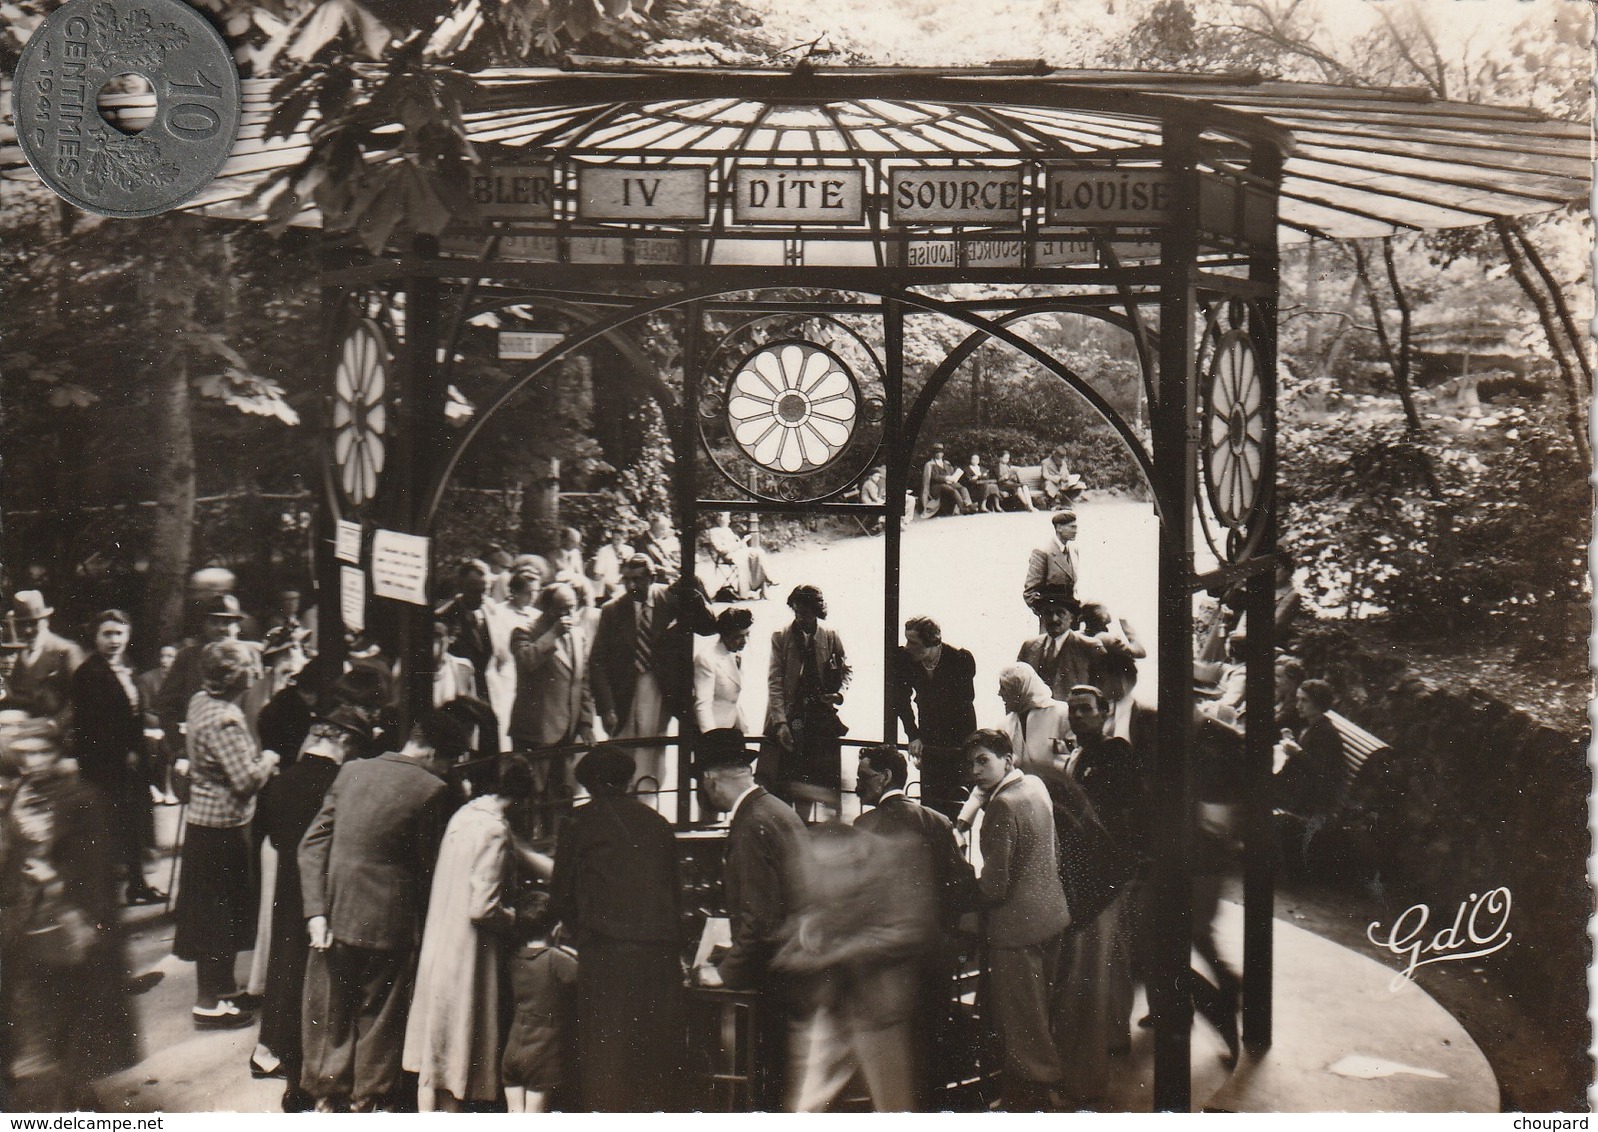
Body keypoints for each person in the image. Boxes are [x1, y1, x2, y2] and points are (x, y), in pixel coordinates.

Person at [297, 711, 454, 1112]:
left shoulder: (351, 770)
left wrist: (315, 911)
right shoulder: (432, 788)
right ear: (435, 753)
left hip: (335, 912)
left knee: (332, 1008)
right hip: (389, 919)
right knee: (380, 1013)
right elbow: (428, 867)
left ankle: (327, 1097)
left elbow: (312, 844)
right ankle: (367, 1098)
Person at [0, 721, 138, 1111]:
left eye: (43, 752)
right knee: (46, 1020)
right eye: (28, 754)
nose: (36, 762)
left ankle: (78, 1102)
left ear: (58, 752)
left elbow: (98, 869)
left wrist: (59, 883)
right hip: (30, 925)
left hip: (72, 923)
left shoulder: (83, 798)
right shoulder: (22, 797)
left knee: (76, 1016)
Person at [550, 746, 685, 1111]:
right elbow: (675, 894)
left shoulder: (578, 822)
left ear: (590, 784)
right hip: (660, 956)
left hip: (606, 956)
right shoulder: (658, 824)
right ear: (627, 780)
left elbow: (560, 896)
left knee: (606, 1060)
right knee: (653, 1059)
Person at [404, 754, 535, 1111]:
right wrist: (515, 917)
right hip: (469, 956)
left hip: (440, 947)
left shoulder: (463, 817)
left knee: (434, 1057)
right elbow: (483, 908)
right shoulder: (493, 829)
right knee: (458, 1057)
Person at [255, 706, 367, 1109]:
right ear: (345, 743)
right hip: (326, 893)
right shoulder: (340, 784)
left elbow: (266, 835)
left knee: (284, 969)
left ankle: (283, 1060)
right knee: (322, 981)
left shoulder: (279, 782)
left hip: (287, 891)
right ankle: (318, 1069)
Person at [853, 746, 977, 1109]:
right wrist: (957, 941)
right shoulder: (937, 821)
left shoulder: (864, 827)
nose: (859, 787)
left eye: (863, 778)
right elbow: (962, 886)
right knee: (931, 1041)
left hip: (884, 957)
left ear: (885, 777)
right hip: (933, 954)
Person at [695, 732, 807, 1109]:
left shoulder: (749, 824)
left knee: (768, 1077)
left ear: (710, 780)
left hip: (775, 970)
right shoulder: (777, 809)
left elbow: (758, 921)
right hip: (798, 959)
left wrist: (724, 972)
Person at [172, 640, 279, 1030]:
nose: (257, 672)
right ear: (235, 676)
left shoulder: (202, 701)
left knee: (213, 913)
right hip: (222, 830)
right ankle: (209, 1004)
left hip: (205, 825)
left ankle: (220, 989)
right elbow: (246, 782)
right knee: (219, 917)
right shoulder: (226, 720)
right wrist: (269, 759)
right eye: (251, 666)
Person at [964, 729, 1070, 1110]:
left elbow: (994, 887)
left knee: (1023, 1018)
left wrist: (961, 882)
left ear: (1006, 761)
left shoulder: (1002, 806)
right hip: (1051, 915)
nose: (975, 771)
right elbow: (1053, 849)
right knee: (1041, 1009)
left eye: (983, 761)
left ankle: (1035, 1095)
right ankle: (1045, 1084)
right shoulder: (1036, 786)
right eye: (971, 763)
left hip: (1016, 931)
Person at [1057, 685, 1147, 1107]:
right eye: (1073, 710)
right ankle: (1109, 1031)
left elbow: (1122, 809)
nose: (1077, 716)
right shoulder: (1079, 754)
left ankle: (1113, 1033)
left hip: (1110, 867)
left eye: (1085, 710)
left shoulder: (1115, 753)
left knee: (1111, 952)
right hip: (1090, 867)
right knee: (1105, 953)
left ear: (1104, 713)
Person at [590, 555, 715, 804]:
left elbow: (708, 626)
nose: (631, 585)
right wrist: (606, 707)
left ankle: (646, 803)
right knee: (621, 749)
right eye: (626, 579)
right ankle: (620, 803)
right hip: (624, 691)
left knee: (651, 747)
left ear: (652, 578)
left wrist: (695, 593)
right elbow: (597, 661)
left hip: (660, 688)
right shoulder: (612, 610)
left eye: (638, 579)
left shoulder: (669, 600)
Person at [70, 609, 164, 906]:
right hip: (104, 764)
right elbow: (91, 725)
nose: (114, 640)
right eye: (107, 634)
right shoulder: (88, 674)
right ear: (95, 637)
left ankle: (137, 884)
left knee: (134, 822)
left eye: (119, 634)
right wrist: (123, 752)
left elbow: (132, 714)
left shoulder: (129, 668)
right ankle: (101, 893)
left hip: (132, 762)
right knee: (107, 827)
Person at [509, 583, 594, 836]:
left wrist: (586, 724)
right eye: (561, 610)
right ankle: (525, 849)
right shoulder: (524, 631)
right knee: (530, 797)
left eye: (572, 608)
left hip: (565, 731)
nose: (568, 615)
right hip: (535, 731)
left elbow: (582, 682)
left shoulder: (578, 635)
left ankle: (557, 847)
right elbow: (527, 662)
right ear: (546, 609)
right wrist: (553, 635)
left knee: (562, 796)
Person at [764, 584, 850, 815]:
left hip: (818, 719)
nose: (801, 617)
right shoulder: (781, 637)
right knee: (784, 777)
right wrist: (780, 722)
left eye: (806, 613)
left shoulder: (830, 637)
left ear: (817, 612)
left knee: (813, 778)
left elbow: (846, 670)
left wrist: (839, 694)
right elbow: (775, 681)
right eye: (797, 612)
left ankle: (805, 824)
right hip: (792, 719)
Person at [888, 615, 976, 820]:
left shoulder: (960, 660)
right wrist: (913, 735)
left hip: (958, 742)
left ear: (932, 642)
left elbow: (964, 706)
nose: (907, 646)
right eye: (906, 640)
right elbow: (901, 700)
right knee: (931, 806)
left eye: (913, 642)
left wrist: (966, 751)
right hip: (929, 740)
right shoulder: (906, 660)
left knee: (956, 805)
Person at [501, 893, 578, 1113]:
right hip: (542, 1053)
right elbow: (584, 978)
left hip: (513, 1048)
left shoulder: (514, 958)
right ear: (555, 929)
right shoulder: (556, 959)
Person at [154, 592, 254, 741]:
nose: (221, 628)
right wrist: (178, 742)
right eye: (214, 622)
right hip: (201, 743)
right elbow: (165, 706)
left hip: (243, 742)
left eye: (227, 623)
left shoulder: (252, 656)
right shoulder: (188, 657)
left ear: (238, 626)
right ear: (204, 625)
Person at [1275, 678, 1346, 854]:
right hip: (1301, 789)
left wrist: (1296, 752)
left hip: (1311, 800)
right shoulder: (1313, 726)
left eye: (1304, 701)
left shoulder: (1326, 734)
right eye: (1298, 699)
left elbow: (1324, 775)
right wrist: (1292, 743)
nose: (1298, 705)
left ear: (1319, 704)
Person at [8, 591, 86, 723]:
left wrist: (56, 724)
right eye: (21, 624)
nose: (27, 631)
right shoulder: (22, 654)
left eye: (33, 623)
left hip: (57, 732)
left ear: (46, 621)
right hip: (25, 729)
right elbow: (17, 697)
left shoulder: (67, 651)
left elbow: (83, 698)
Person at [1018, 586, 1105, 701]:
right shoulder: (1029, 647)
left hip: (1072, 716)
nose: (1054, 619)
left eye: (1060, 613)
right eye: (1048, 613)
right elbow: (1017, 688)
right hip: (1036, 716)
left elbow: (1103, 692)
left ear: (1072, 617)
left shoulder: (1089, 647)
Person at [487, 571, 541, 750]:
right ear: (514, 592)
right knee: (506, 717)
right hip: (506, 672)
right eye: (527, 592)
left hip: (530, 673)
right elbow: (497, 645)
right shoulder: (499, 612)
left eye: (536, 592)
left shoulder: (536, 615)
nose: (532, 596)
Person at [1080, 601, 1146, 738]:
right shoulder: (1106, 638)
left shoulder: (1078, 636)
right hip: (1109, 690)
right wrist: (1126, 627)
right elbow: (1140, 652)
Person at [436, 560, 496, 700]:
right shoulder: (444, 618)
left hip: (491, 695)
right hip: (461, 697)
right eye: (475, 591)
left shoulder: (493, 613)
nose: (481, 598)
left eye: (485, 591)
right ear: (461, 587)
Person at [694, 606, 752, 734]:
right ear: (725, 635)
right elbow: (703, 704)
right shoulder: (706, 659)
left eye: (747, 635)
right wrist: (711, 736)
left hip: (732, 727)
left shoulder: (734, 652)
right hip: (713, 731)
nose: (744, 641)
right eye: (738, 636)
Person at [1023, 510, 1082, 612]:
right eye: (1072, 527)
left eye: (1076, 527)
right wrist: (1048, 614)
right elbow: (1030, 593)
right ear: (1059, 528)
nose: (1076, 531)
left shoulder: (1074, 551)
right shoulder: (1042, 552)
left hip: (1071, 614)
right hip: (1052, 617)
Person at [701, 525, 777, 602]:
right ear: (718, 518)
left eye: (727, 516)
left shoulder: (728, 530)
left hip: (740, 552)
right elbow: (721, 549)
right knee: (747, 557)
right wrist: (740, 543)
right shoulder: (713, 532)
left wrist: (741, 543)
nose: (726, 519)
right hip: (729, 555)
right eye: (722, 515)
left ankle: (767, 581)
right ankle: (766, 581)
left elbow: (738, 545)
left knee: (759, 552)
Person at [919, 442, 971, 517]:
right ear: (934, 454)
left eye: (940, 452)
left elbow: (951, 473)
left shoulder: (946, 463)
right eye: (937, 452)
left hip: (949, 483)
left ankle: (969, 504)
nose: (939, 454)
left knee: (962, 488)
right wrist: (945, 478)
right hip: (936, 487)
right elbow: (933, 477)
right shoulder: (930, 464)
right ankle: (963, 509)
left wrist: (954, 477)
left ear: (943, 454)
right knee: (952, 490)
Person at [589, 529, 635, 601]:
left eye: (618, 539)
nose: (615, 542)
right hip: (607, 586)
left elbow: (631, 571)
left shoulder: (629, 550)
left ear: (624, 540)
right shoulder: (604, 551)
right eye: (613, 539)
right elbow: (598, 575)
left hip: (624, 584)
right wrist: (610, 585)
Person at [639, 515, 682, 582]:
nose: (665, 533)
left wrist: (678, 566)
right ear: (657, 528)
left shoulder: (656, 540)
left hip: (669, 576)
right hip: (656, 581)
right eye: (664, 529)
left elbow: (665, 559)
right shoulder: (642, 541)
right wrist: (665, 571)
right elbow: (643, 566)